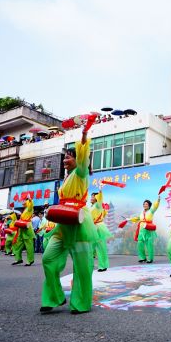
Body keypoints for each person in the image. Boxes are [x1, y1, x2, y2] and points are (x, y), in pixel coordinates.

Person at [40, 126, 98, 314]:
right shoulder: (66, 178)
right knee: (48, 258)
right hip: (63, 225)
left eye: (69, 156)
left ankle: (80, 303)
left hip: (80, 225)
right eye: (64, 156)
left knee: (82, 268)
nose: (65, 159)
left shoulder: (81, 173)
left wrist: (83, 135)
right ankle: (54, 297)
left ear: (77, 160)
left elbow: (83, 159)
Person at [128, 196, 160, 264]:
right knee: (140, 244)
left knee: (149, 245)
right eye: (144, 204)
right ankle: (142, 258)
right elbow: (138, 218)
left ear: (149, 205)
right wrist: (130, 219)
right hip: (141, 230)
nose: (145, 205)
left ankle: (150, 258)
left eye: (146, 204)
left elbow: (155, 206)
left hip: (148, 229)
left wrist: (158, 200)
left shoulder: (151, 211)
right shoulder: (141, 212)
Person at [90, 189, 112, 272]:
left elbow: (100, 199)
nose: (91, 197)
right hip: (92, 227)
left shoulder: (98, 205)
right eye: (91, 196)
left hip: (98, 227)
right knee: (90, 247)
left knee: (100, 247)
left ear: (96, 198)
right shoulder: (91, 206)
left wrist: (100, 191)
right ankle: (90, 264)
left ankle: (103, 266)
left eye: (93, 196)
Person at [11, 198, 36, 266]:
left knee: (29, 246)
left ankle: (30, 260)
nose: (23, 203)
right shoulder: (25, 210)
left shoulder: (29, 209)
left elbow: (31, 206)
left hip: (27, 229)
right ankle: (18, 259)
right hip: (21, 229)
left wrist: (30, 201)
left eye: (24, 202)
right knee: (17, 244)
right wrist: (13, 210)